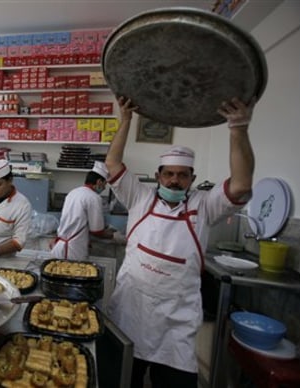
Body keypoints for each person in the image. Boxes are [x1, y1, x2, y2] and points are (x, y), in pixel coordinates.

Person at [105, 96, 256, 388]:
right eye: (169, 174)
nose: (175, 181)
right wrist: (125, 120)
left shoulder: (205, 205)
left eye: (182, 176)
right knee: (123, 380)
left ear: (192, 178)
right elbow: (112, 163)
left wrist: (238, 127)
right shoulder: (140, 197)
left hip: (175, 322)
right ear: (158, 176)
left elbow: (241, 185)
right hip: (130, 309)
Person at [50, 161, 121, 260]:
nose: (104, 188)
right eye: (104, 184)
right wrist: (116, 236)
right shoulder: (94, 197)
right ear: (99, 182)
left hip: (59, 246)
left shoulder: (73, 192)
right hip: (73, 250)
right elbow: (97, 231)